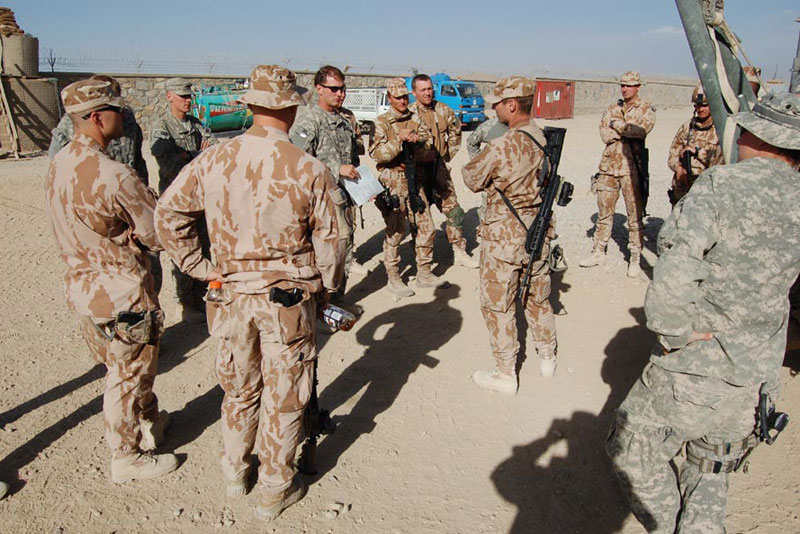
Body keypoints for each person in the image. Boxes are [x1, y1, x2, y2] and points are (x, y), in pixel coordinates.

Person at [606, 92, 800, 534]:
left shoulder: (722, 185)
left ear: (757, 136)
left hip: (699, 369)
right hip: (757, 376)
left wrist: (674, 332)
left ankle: (667, 525)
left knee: (630, 452)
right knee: (711, 469)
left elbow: (675, 267)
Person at [155, 65, 343, 521]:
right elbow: (332, 245)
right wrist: (325, 291)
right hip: (288, 302)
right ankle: (275, 486)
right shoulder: (309, 168)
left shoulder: (214, 160)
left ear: (251, 105)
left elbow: (168, 215)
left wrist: (202, 269)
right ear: (292, 106)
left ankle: (236, 473)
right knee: (286, 393)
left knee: (239, 389)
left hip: (231, 297)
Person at [45, 79, 177, 484]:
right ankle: (126, 457)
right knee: (126, 374)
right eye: (117, 110)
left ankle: (151, 419)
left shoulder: (60, 163)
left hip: (85, 292)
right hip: (123, 293)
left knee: (131, 365)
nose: (124, 116)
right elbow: (155, 233)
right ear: (97, 118)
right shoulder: (115, 175)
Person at [462, 76, 559, 395]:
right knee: (537, 296)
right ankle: (547, 356)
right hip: (538, 233)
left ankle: (505, 373)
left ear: (512, 105)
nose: (494, 109)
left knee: (498, 304)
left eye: (498, 104)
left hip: (504, 237)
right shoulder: (544, 139)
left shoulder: (503, 144)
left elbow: (471, 178)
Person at [290, 65, 363, 300]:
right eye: (334, 89)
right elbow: (296, 163)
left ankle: (336, 302)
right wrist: (335, 168)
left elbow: (353, 160)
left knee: (344, 252)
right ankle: (320, 304)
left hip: (342, 199)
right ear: (319, 89)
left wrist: (363, 187)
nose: (340, 94)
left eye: (343, 89)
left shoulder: (344, 121)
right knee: (323, 257)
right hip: (319, 204)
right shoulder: (309, 121)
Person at [150, 77, 216, 323]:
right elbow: (168, 164)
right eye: (182, 96)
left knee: (204, 248)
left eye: (189, 96)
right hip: (177, 203)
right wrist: (199, 154)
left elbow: (215, 153)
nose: (187, 101)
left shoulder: (196, 125)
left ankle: (199, 298)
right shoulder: (162, 128)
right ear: (169, 96)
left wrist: (189, 156)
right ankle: (184, 302)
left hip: (200, 199)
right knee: (183, 250)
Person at [579, 71, 656, 278]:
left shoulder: (646, 109)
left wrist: (616, 125)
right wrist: (623, 131)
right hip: (609, 167)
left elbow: (640, 131)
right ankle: (598, 251)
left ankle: (635, 257)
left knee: (634, 216)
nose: (625, 89)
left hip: (632, 169)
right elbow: (604, 135)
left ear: (638, 87)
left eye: (629, 85)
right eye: (622, 85)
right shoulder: (612, 108)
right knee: (604, 212)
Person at [369, 77, 437, 296]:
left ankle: (424, 272)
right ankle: (394, 277)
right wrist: (399, 140)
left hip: (414, 178)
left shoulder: (415, 118)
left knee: (426, 226)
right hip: (393, 180)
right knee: (396, 230)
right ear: (389, 98)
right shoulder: (382, 122)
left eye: (405, 97)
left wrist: (417, 142)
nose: (402, 101)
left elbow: (429, 146)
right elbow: (377, 154)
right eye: (398, 97)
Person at [410, 74, 479, 269]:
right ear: (414, 93)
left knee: (454, 210)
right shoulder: (408, 114)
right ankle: (421, 257)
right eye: (423, 90)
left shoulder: (443, 109)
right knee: (419, 215)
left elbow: (455, 133)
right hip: (417, 172)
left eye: (430, 88)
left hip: (438, 168)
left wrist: (446, 157)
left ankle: (459, 251)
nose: (428, 93)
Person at [48, 74, 149, 182]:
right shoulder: (72, 121)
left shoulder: (128, 117)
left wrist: (140, 185)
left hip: (124, 180)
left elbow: (137, 157)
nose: (120, 114)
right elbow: (56, 157)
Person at [667, 85, 724, 205]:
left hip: (707, 188)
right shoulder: (687, 127)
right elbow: (672, 154)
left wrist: (698, 152)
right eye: (697, 105)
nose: (700, 109)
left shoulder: (720, 129)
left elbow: (721, 161)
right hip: (683, 187)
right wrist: (678, 168)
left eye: (704, 105)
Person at [467, 117, 509, 237]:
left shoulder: (525, 126)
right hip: (494, 178)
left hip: (516, 179)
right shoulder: (490, 126)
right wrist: (482, 164)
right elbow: (471, 142)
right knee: (488, 207)